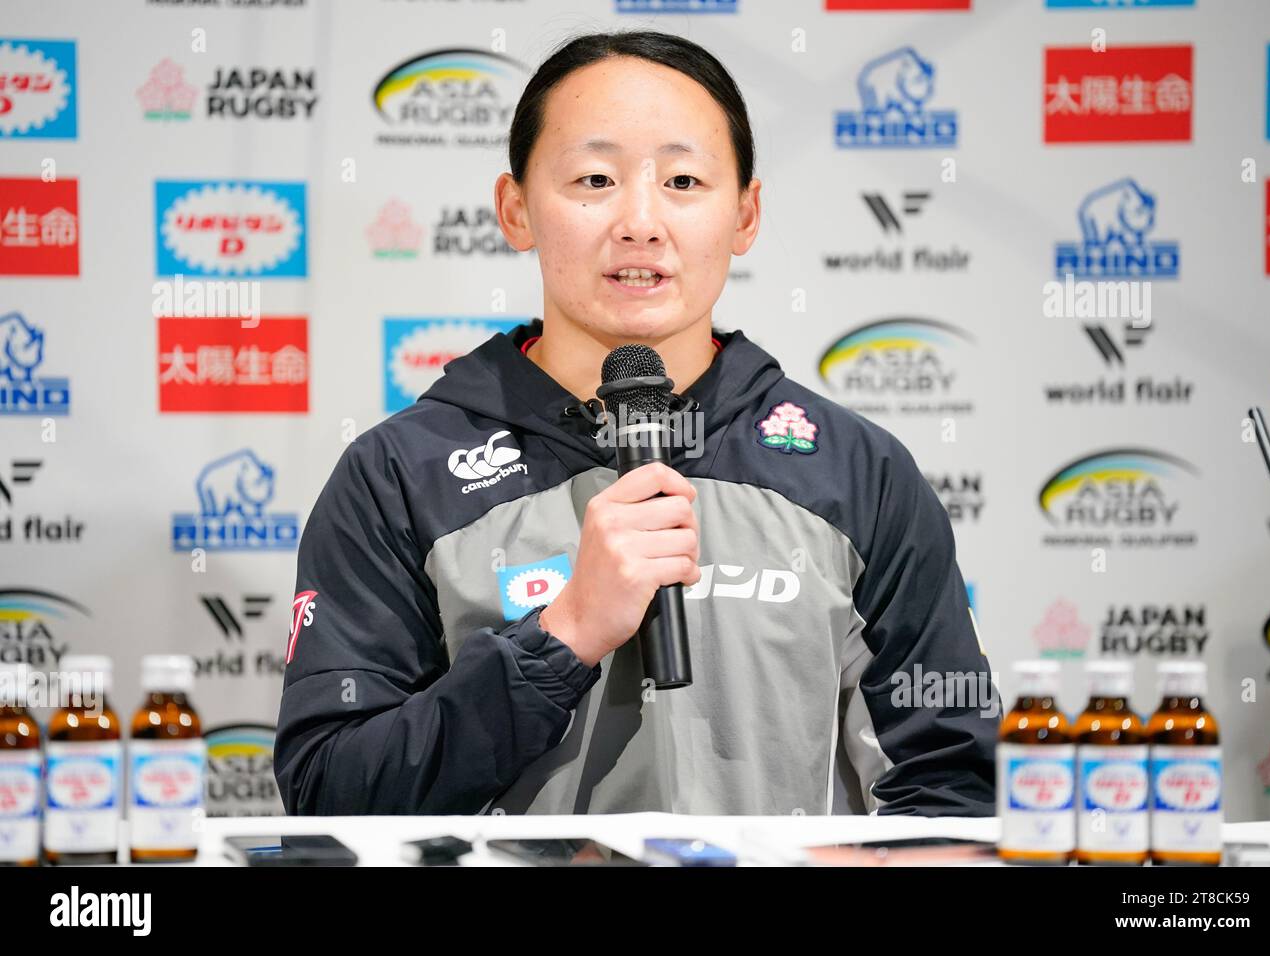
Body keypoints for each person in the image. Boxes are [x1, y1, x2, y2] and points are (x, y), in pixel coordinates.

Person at [273, 30, 999, 816]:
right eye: (595, 178)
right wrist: (563, 638)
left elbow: (953, 782)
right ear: (515, 209)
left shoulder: (856, 473)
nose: (641, 222)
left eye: (684, 179)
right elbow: (330, 791)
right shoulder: (399, 475)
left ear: (746, 214)